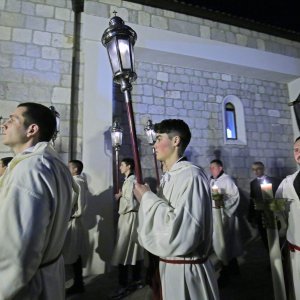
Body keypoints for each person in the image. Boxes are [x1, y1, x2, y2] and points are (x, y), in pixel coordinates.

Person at [134, 119, 219, 300]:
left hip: (186, 271)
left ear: (175, 141)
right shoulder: (170, 176)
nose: (154, 145)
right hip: (168, 266)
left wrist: (147, 199)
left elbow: (182, 231)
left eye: (159, 139)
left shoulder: (191, 176)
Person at [0, 102, 74, 300]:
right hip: (47, 275)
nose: (3, 125)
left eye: (12, 120)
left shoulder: (29, 170)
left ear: (32, 129)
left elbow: (19, 250)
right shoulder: (52, 164)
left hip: (27, 286)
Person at [110, 158, 144, 299]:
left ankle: (124, 284)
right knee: (133, 250)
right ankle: (136, 279)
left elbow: (130, 204)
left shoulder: (131, 182)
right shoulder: (130, 181)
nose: (119, 167)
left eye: (122, 165)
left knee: (124, 250)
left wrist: (120, 197)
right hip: (130, 218)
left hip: (129, 218)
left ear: (129, 166)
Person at [209, 159, 243, 286]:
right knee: (222, 244)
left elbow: (235, 197)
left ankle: (225, 272)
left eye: (213, 167)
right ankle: (233, 269)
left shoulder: (227, 180)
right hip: (214, 217)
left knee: (224, 243)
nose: (211, 170)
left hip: (225, 217)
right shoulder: (211, 180)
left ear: (220, 168)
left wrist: (224, 205)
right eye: (210, 168)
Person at [275, 137, 300, 299]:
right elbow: (278, 213)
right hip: (297, 254)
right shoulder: (287, 183)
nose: (299, 153)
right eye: (296, 150)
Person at [63, 159, 89, 295]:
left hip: (71, 221)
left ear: (75, 170)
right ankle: (79, 283)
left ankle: (77, 284)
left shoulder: (75, 182)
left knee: (69, 254)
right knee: (75, 255)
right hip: (75, 221)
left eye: (69, 167)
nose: (67, 169)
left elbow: (68, 202)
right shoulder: (82, 182)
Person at [248, 161, 280, 250]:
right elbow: (252, 200)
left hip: (272, 214)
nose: (255, 172)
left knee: (275, 237)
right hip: (260, 214)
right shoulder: (253, 183)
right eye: (253, 169)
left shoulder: (273, 181)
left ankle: (281, 260)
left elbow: (278, 197)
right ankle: (271, 259)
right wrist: (251, 216)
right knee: (265, 238)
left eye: (258, 169)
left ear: (263, 169)